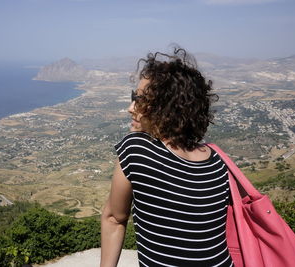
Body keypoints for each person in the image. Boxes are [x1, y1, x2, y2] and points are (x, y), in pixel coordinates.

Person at [100, 47, 233, 267]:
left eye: (140, 99)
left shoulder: (136, 150)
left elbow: (114, 219)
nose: (131, 107)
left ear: (167, 107)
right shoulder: (218, 163)